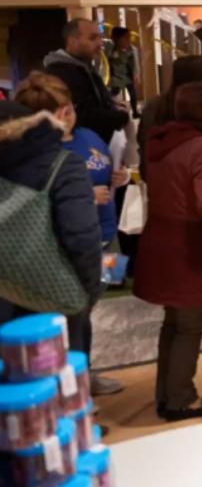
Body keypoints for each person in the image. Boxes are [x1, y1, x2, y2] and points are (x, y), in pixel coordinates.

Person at [11, 74, 124, 396]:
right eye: (66, 108)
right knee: (65, 323)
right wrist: (86, 196)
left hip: (104, 234)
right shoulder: (41, 158)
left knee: (86, 316)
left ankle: (85, 373)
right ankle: (69, 397)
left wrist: (117, 177)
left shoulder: (87, 136)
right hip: (66, 256)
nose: (71, 113)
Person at [136, 81, 202, 422]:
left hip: (161, 241)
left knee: (173, 324)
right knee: (188, 326)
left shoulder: (160, 140)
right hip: (190, 248)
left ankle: (166, 395)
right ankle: (182, 399)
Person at [0, 100, 102, 353]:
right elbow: (82, 236)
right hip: (54, 292)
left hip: (4, 291)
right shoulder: (62, 164)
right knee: (62, 376)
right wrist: (88, 291)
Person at [43, 18, 129, 145]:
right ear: (72, 41)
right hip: (83, 149)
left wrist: (113, 105)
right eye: (93, 38)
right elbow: (82, 115)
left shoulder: (84, 66)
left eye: (100, 37)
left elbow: (95, 100)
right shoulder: (63, 72)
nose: (100, 43)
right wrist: (120, 116)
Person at [105, 26, 141, 119]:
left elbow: (135, 63)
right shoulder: (111, 47)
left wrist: (136, 74)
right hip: (115, 75)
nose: (128, 40)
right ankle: (107, 108)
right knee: (114, 91)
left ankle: (135, 111)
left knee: (133, 93)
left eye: (128, 37)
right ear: (117, 38)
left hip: (126, 75)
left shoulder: (132, 49)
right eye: (125, 37)